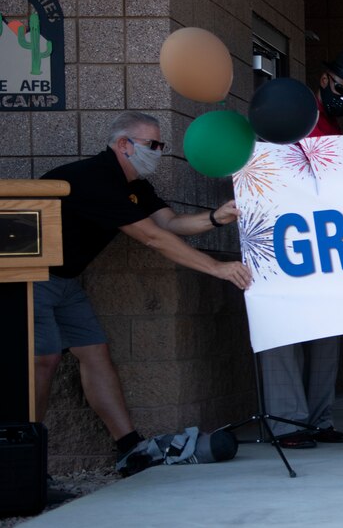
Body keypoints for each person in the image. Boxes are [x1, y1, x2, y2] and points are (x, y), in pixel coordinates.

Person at [34, 111, 251, 474]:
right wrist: (217, 268)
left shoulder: (133, 184)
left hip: (67, 280)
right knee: (44, 362)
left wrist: (217, 217)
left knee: (95, 353)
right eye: (153, 145)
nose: (159, 152)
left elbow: (168, 223)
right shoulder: (97, 178)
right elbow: (152, 238)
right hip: (29, 277)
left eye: (161, 145)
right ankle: (25, 455)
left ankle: (129, 449)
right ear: (123, 145)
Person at [260, 51, 343, 448]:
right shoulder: (292, 112)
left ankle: (320, 419)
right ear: (325, 79)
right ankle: (288, 424)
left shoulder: (334, 127)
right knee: (284, 335)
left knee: (326, 333)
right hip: (282, 239)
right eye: (342, 89)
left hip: (325, 244)